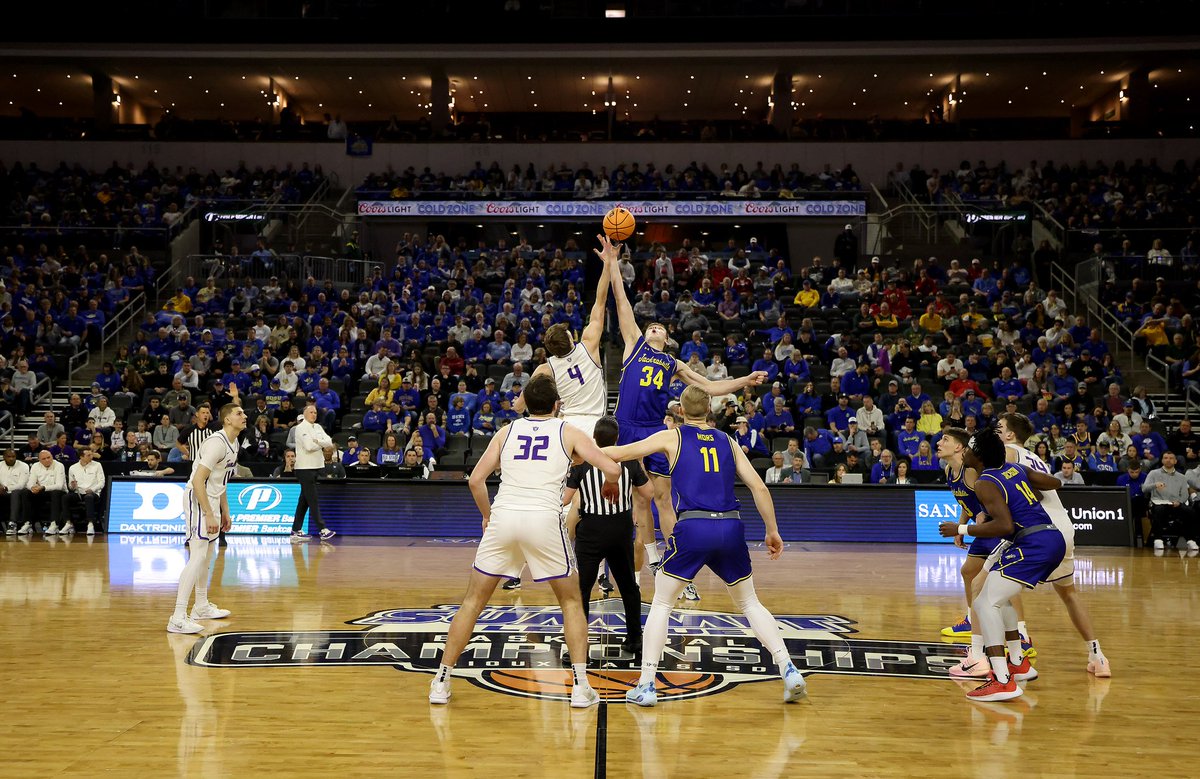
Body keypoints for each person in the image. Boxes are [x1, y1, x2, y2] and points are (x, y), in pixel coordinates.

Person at [600, 384, 806, 707]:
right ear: (709, 409)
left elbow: (623, 452)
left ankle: (647, 684)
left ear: (680, 411)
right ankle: (789, 668)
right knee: (750, 602)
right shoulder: (729, 441)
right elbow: (759, 487)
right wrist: (772, 531)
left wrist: (580, 450)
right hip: (731, 526)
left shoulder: (673, 436)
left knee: (662, 603)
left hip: (694, 526)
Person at [428, 373, 622, 708]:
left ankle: (440, 682)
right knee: (572, 602)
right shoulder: (568, 431)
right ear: (557, 405)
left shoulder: (506, 432)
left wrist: (487, 515)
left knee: (473, 601)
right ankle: (580, 687)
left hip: (504, 516)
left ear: (525, 405)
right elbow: (612, 467)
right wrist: (609, 484)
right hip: (543, 519)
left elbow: (475, 480)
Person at [603, 233, 766, 600]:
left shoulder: (672, 362)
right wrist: (612, 263)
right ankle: (613, 566)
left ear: (668, 336)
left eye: (660, 327)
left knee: (661, 498)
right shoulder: (633, 345)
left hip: (655, 430)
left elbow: (708, 388)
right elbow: (622, 300)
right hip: (625, 426)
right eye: (651, 326)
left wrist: (744, 380)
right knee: (620, 499)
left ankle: (678, 565)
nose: (655, 326)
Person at [938, 426, 1067, 702]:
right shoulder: (1014, 470)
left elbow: (1003, 524)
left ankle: (1002, 679)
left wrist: (960, 530)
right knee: (1000, 598)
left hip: (1032, 543)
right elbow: (1055, 483)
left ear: (978, 455)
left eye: (970, 449)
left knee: (985, 603)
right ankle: (1018, 663)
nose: (967, 452)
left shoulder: (985, 481)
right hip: (1048, 537)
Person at [996, 413, 1111, 677]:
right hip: (1064, 526)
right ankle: (1098, 655)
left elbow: (1020, 487)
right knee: (1069, 593)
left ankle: (1020, 640)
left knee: (999, 580)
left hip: (1040, 528)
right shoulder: (1036, 458)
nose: (996, 432)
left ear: (1010, 434)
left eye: (999, 428)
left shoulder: (1007, 451)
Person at [562, 416, 654, 655]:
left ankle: (578, 646)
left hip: (590, 530)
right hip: (620, 530)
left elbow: (565, 497)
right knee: (629, 588)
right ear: (617, 439)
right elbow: (648, 492)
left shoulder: (582, 461)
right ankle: (635, 639)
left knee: (581, 590)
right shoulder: (630, 461)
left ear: (594, 438)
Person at [936, 428, 1030, 660]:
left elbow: (994, 493)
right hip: (981, 532)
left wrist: (986, 515)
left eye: (945, 439)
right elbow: (965, 502)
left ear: (959, 447)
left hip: (995, 529)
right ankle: (971, 619)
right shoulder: (950, 470)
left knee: (1006, 582)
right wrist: (961, 527)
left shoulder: (972, 471)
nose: (939, 442)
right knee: (968, 571)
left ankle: (1023, 636)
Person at [514, 240, 611, 439]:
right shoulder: (589, 346)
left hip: (566, 424)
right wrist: (608, 264)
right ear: (569, 337)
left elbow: (519, 407)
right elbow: (600, 302)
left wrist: (517, 404)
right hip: (595, 422)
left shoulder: (545, 368)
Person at [166, 403, 247, 634]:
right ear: (227, 420)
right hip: (197, 499)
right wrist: (209, 513)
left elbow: (221, 481)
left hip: (211, 500)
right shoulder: (215, 443)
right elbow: (199, 480)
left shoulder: (235, 443)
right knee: (198, 555)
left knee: (207, 555)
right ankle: (178, 616)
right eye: (239, 413)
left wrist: (225, 510)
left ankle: (200, 606)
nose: (245, 416)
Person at [290, 401, 337, 541]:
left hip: (316, 466)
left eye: (315, 412)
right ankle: (322, 529)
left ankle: (295, 530)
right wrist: (320, 443)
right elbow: (309, 446)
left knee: (304, 500)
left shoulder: (317, 427)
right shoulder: (300, 428)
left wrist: (318, 441)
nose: (314, 414)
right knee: (313, 499)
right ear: (304, 414)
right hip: (305, 468)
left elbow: (329, 441)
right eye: (311, 412)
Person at [1144, 451, 1197, 552]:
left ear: (1175, 461)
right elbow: (1144, 488)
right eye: (1166, 458)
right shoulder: (1153, 473)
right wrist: (1154, 485)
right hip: (1159, 502)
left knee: (1190, 512)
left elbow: (1185, 494)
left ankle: (1191, 540)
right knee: (1159, 510)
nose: (1168, 460)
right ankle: (1158, 539)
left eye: (1171, 458)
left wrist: (1179, 501)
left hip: (1175, 503)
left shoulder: (1182, 477)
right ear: (1162, 460)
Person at [24, 450, 69, 535]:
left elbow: (59, 486)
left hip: (59, 492)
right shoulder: (35, 466)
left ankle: (54, 524)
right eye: (44, 459)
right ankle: (28, 523)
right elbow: (29, 483)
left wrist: (43, 487)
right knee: (26, 493)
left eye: (49, 457)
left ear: (52, 456)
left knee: (55, 493)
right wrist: (32, 488)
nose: (47, 460)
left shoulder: (59, 465)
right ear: (40, 460)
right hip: (42, 491)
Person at [67, 448, 105, 535]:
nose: (91, 456)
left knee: (88, 497)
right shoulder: (73, 468)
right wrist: (72, 486)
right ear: (81, 457)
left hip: (93, 492)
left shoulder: (97, 465)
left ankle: (90, 524)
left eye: (92, 454)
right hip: (79, 493)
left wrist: (93, 489)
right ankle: (68, 523)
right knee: (65, 497)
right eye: (88, 455)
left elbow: (102, 482)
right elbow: (70, 486)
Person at [1, 449, 30, 534]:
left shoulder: (23, 466)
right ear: (4, 457)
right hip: (3, 491)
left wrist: (6, 488)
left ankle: (12, 523)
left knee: (15, 492)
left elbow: (21, 485)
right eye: (9, 456)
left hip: (19, 492)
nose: (11, 459)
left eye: (13, 456)